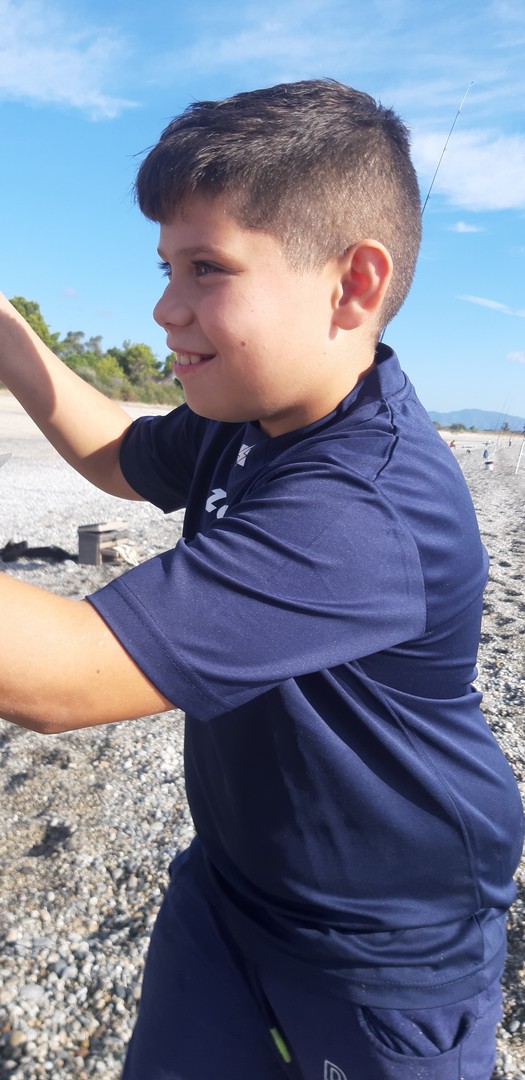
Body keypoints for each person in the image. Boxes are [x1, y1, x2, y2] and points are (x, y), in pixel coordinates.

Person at [0, 79, 522, 1080]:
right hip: (230, 887)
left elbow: (64, 676)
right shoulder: (251, 416)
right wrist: (12, 340)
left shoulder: (364, 505)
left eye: (207, 267)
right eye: (165, 266)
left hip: (381, 954)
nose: (165, 307)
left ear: (352, 284)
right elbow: (118, 450)